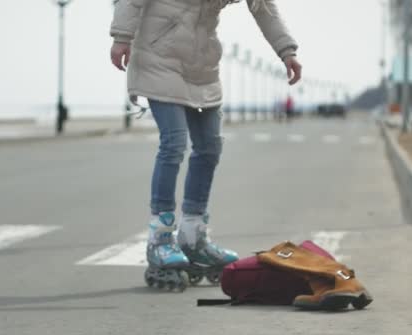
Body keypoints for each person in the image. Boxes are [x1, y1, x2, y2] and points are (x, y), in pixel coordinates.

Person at [110, 0, 302, 290]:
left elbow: (265, 8)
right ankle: (160, 238)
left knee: (210, 147)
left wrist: (287, 51)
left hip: (201, 66)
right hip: (157, 57)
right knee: (174, 143)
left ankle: (192, 236)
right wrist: (121, 37)